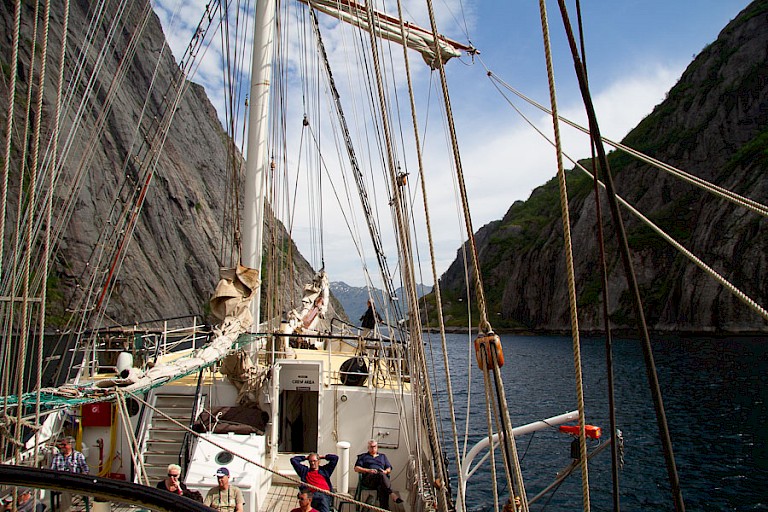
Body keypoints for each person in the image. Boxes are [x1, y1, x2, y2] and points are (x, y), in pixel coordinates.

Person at [354, 440, 402, 510]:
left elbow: (389, 468)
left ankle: (384, 509)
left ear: (377, 447)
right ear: (368, 447)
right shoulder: (363, 456)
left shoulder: (383, 456)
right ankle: (392, 494)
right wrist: (368, 470)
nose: (373, 448)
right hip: (369, 479)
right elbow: (356, 468)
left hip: (380, 478)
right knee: (381, 475)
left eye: (375, 446)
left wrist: (385, 471)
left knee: (382, 484)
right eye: (371, 447)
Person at [50, 437, 89, 512]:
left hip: (75, 482)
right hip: (61, 482)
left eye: (64, 445)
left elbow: (85, 469)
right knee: (66, 489)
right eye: (61, 445)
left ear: (71, 445)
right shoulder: (57, 457)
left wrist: (83, 476)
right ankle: (68, 510)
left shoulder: (78, 456)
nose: (62, 447)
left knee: (71, 490)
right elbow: (52, 470)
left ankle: (71, 508)